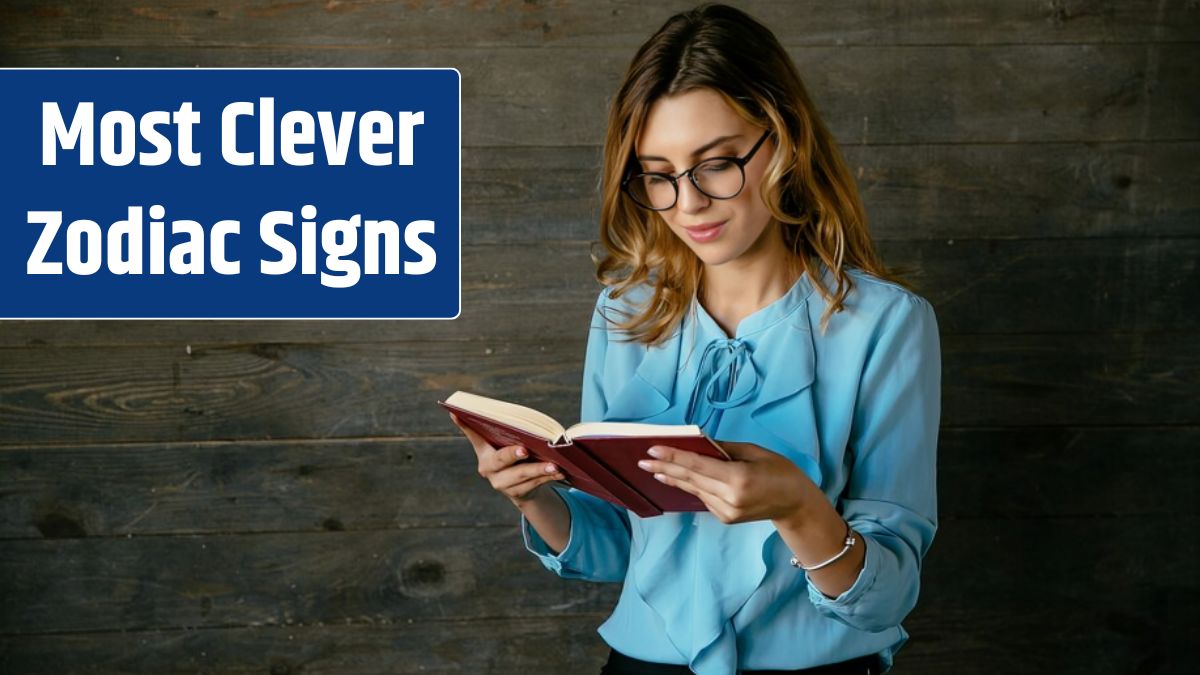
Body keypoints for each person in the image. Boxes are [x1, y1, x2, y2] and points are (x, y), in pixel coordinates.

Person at [451, 4, 940, 674]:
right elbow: (621, 549)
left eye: (716, 164)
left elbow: (887, 596)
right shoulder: (623, 313)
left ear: (784, 140)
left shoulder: (888, 325)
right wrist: (532, 492)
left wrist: (798, 507)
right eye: (658, 174)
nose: (688, 203)